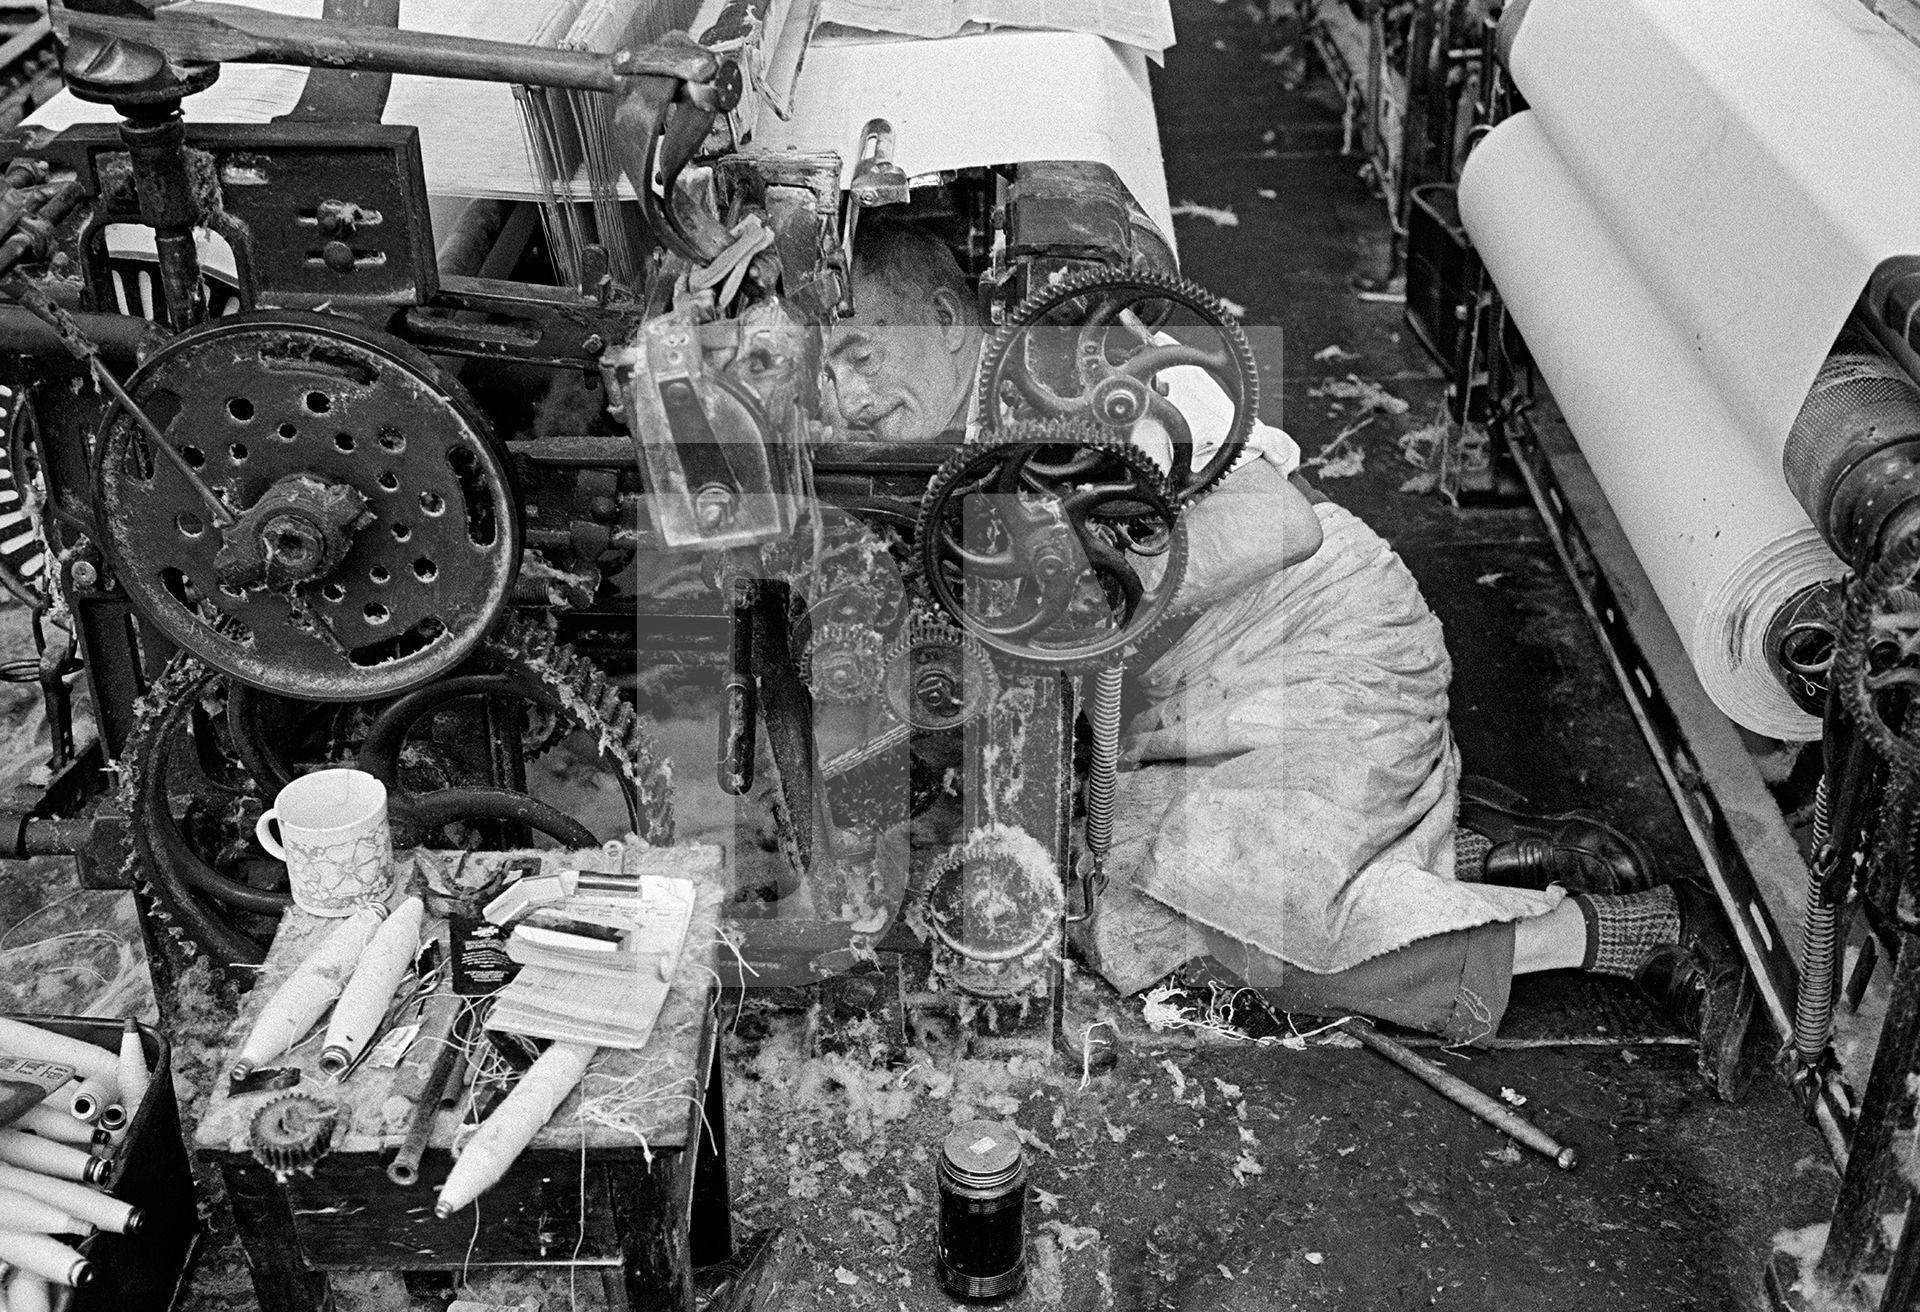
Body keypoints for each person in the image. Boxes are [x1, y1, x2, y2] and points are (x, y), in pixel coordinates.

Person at [824, 220, 1760, 1093]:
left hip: (1318, 645)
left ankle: (1616, 931)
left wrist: (1072, 606)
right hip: (1199, 707)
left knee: (1161, 940)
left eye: (860, 356)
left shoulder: (1090, 373)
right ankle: (1490, 852)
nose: (850, 401)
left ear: (948, 322)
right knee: (1090, 892)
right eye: (825, 377)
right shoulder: (944, 451)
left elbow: (1280, 521)